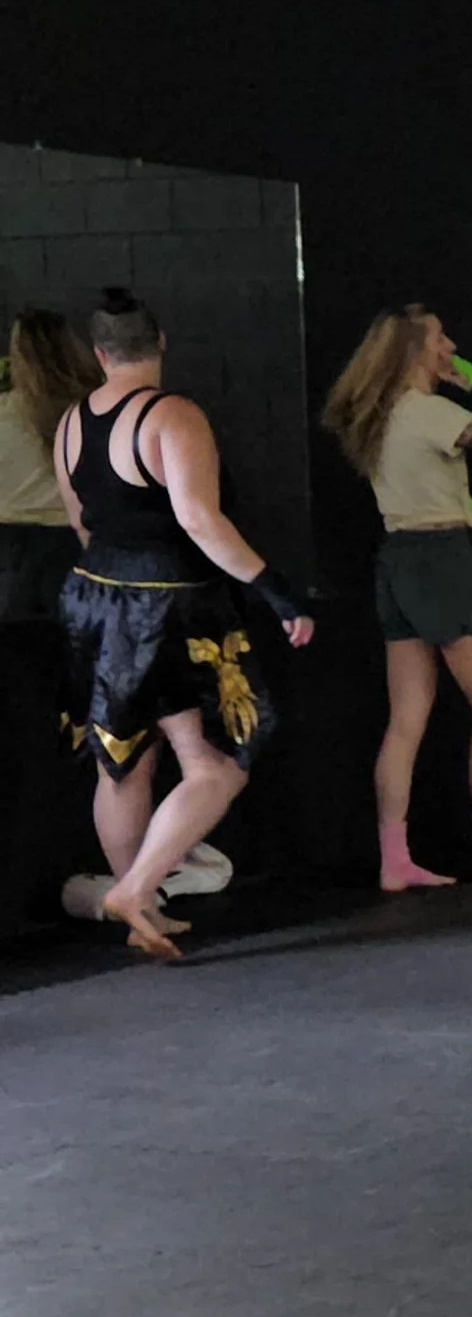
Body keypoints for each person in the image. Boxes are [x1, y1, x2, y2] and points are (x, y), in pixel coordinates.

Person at [52, 287, 315, 961]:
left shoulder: (70, 423)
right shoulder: (173, 415)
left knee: (121, 765)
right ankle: (136, 889)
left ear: (98, 352)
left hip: (93, 597)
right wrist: (275, 591)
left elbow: (82, 524)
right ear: (160, 341)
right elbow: (200, 520)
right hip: (169, 601)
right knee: (216, 763)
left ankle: (138, 903)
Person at [321, 307, 472, 891]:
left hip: (396, 561)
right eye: (440, 338)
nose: (450, 345)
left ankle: (394, 857)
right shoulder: (428, 412)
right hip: (443, 560)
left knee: (406, 718)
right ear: (414, 351)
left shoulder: (382, 416)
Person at [1, 310, 94, 933]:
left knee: (19, 681)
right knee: (79, 689)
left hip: (9, 554)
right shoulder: (82, 413)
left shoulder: (4, 411)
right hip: (67, 551)